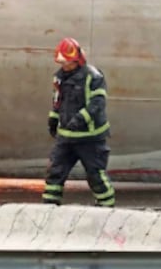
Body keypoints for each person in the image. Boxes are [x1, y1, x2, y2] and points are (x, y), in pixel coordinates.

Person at [43, 37, 115, 207]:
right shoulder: (59, 78)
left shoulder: (93, 77)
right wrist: (53, 119)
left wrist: (80, 119)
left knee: (95, 175)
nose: (65, 65)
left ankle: (107, 208)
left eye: (68, 62)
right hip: (66, 137)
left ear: (78, 60)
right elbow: (57, 101)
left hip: (90, 138)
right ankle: (49, 208)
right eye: (62, 62)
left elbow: (97, 104)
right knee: (55, 172)